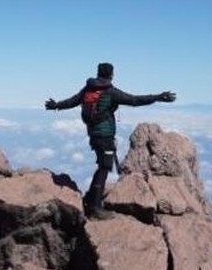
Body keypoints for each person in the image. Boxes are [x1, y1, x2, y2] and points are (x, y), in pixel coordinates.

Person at [45, 63, 176, 219]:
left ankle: (90, 199)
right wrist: (158, 97)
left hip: (94, 134)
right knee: (104, 167)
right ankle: (94, 207)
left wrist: (56, 105)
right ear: (111, 75)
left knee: (102, 166)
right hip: (105, 135)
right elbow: (134, 100)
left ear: (98, 73)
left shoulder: (88, 89)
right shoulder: (110, 92)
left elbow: (72, 101)